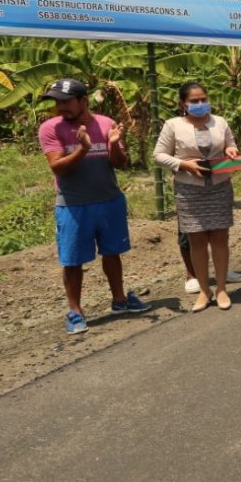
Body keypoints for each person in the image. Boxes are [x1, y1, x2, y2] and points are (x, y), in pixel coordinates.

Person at [39, 78, 148, 334]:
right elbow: (58, 168)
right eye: (57, 102)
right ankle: (75, 312)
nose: (60, 108)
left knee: (112, 252)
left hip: (109, 201)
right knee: (72, 260)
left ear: (84, 101)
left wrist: (113, 144)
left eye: (66, 102)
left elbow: (121, 164)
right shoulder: (50, 128)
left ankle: (120, 300)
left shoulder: (106, 124)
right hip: (73, 206)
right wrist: (83, 149)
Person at [153, 82, 239, 312]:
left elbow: (230, 144)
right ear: (183, 103)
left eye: (203, 99)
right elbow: (159, 155)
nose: (201, 104)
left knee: (220, 239)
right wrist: (183, 164)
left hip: (220, 187)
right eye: (194, 101)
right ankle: (204, 290)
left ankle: (221, 289)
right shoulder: (173, 125)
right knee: (197, 241)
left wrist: (231, 150)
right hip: (189, 191)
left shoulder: (219, 122)